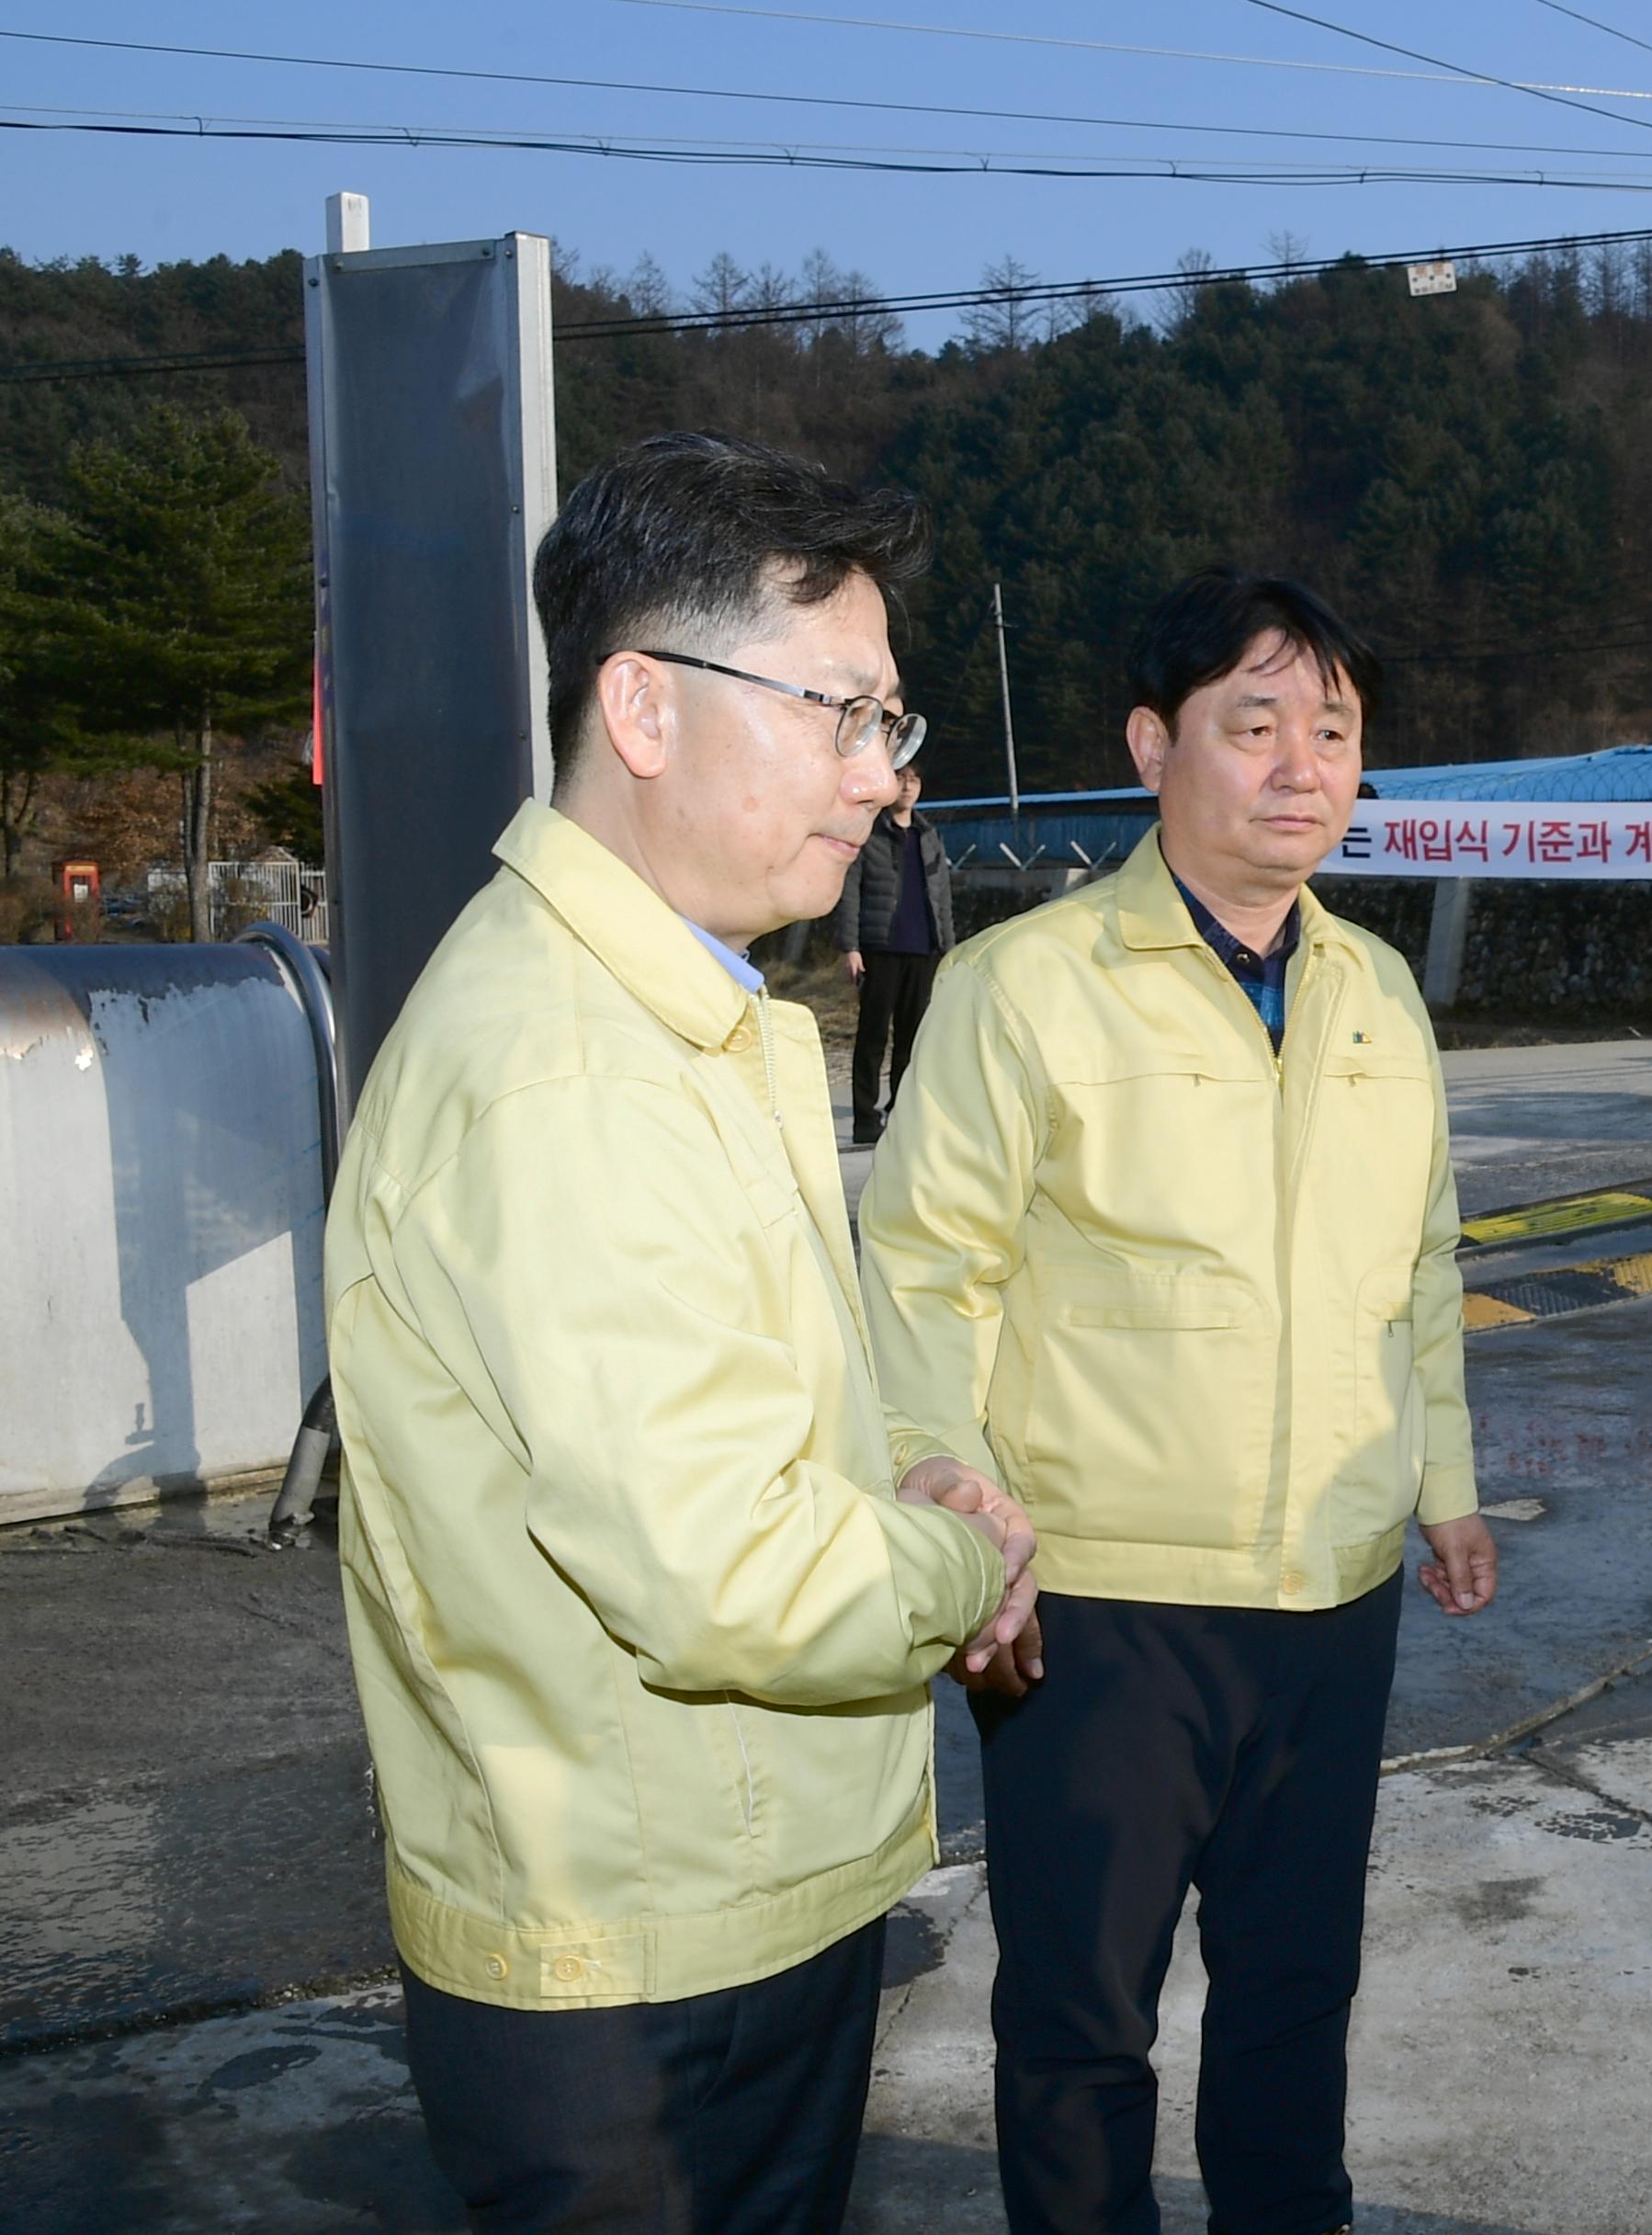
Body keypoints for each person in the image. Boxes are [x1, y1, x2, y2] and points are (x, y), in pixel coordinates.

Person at [322, 430, 1040, 2234]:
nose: (880, 778)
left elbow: (740, 1417)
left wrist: (896, 1472)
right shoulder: (572, 1070)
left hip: (700, 1888)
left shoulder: (675, 1017)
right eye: (840, 713)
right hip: (638, 1960)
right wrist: (954, 1562)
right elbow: (720, 1564)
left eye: (892, 724)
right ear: (641, 707)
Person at [856, 567, 1499, 2235]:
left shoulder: (1375, 993)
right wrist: (948, 1504)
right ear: (1155, 744)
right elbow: (926, 1269)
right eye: (1255, 723)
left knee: (1295, 2000)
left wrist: (1444, 1486)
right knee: (1080, 2019)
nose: (1303, 764)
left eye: (1335, 729)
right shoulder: (1029, 984)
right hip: (1097, 1599)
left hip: (1331, 1594)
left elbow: (1418, 1265)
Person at [835, 761, 956, 1144]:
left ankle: (902, 1112)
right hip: (880, 947)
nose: (907, 786)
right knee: (872, 1037)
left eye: (914, 780)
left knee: (913, 1038)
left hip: (922, 949)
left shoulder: (929, 836)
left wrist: (948, 950)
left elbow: (942, 896)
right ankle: (865, 1119)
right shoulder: (871, 835)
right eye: (901, 778)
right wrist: (850, 946)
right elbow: (850, 890)